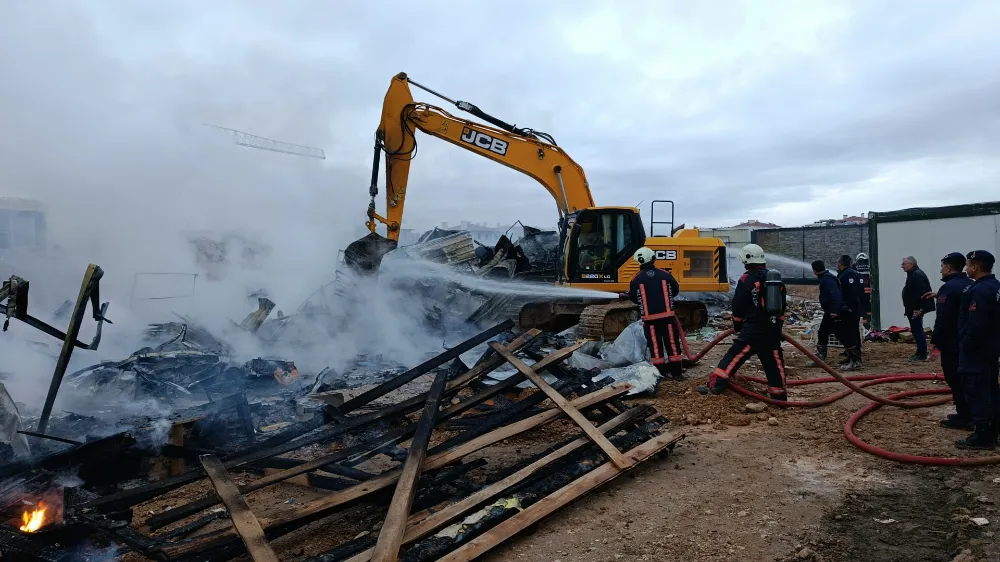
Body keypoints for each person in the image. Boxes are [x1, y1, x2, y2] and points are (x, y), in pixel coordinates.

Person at [698, 244, 789, 400]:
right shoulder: (775, 280)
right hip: (772, 329)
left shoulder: (747, 279)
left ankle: (715, 385)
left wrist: (738, 326)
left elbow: (738, 306)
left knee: (734, 357)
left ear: (747, 261)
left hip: (753, 329)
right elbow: (782, 309)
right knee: (774, 360)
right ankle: (778, 394)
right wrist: (777, 329)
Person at [923, 252, 975, 430]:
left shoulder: (949, 288)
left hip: (952, 344)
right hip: (968, 342)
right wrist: (939, 294)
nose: (940, 270)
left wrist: (935, 341)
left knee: (955, 378)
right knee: (969, 379)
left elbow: (944, 318)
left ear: (948, 267)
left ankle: (964, 416)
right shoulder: (970, 284)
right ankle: (972, 414)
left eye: (942, 267)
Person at [955, 250, 1000, 449]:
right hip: (991, 349)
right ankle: (992, 427)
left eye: (968, 265)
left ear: (975, 266)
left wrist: (966, 344)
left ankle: (983, 433)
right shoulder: (994, 287)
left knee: (976, 389)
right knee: (990, 388)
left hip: (977, 351)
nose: (966, 268)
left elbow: (976, 325)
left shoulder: (980, 291)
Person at [622, 247, 685, 381]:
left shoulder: (636, 279)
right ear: (653, 258)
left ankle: (660, 374)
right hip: (667, 317)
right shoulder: (665, 274)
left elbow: (634, 298)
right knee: (672, 344)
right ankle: (677, 374)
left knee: (656, 347)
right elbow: (675, 290)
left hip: (649, 321)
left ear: (639, 262)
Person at [809, 260, 862, 370]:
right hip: (831, 311)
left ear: (814, 270)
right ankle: (820, 357)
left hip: (836, 312)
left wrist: (834, 311)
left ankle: (855, 361)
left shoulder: (827, 280)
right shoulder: (827, 278)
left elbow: (836, 296)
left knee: (842, 334)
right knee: (823, 332)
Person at [901, 256, 935, 361]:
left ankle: (922, 354)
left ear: (911, 264)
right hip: (912, 308)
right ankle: (920, 352)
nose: (902, 266)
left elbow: (922, 294)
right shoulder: (913, 274)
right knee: (916, 331)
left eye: (904, 264)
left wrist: (919, 309)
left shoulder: (917, 275)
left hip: (915, 309)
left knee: (918, 331)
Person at [836, 254, 866, 366]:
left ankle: (855, 359)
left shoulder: (847, 275)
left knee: (850, 333)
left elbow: (850, 294)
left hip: (850, 310)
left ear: (841, 263)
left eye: (838, 262)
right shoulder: (854, 273)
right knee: (853, 332)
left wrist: (846, 308)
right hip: (855, 308)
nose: (837, 264)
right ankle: (852, 356)